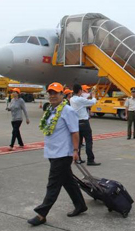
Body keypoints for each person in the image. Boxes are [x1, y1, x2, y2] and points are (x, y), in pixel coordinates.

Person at [28, 82, 87, 226]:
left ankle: (42, 214)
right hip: (52, 152)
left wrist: (75, 151)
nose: (52, 96)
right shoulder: (51, 110)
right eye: (50, 93)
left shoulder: (68, 111)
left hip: (63, 153)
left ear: (63, 94)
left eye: (56, 93)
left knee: (53, 184)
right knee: (68, 181)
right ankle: (80, 205)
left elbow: (75, 132)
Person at [70, 84, 99, 166]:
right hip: (84, 122)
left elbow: (83, 100)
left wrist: (88, 95)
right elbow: (92, 102)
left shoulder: (72, 99)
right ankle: (90, 159)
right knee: (88, 141)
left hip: (76, 122)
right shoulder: (80, 100)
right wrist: (93, 96)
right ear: (79, 91)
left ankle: (78, 158)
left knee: (78, 142)